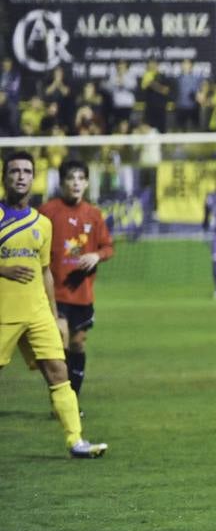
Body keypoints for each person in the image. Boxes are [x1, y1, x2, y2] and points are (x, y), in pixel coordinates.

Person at [0, 151, 107, 458]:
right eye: (14, 171)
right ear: (5, 177)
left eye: (26, 171)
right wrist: (3, 270)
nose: (21, 176)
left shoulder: (42, 224)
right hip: (4, 313)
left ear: (33, 178)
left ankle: (76, 441)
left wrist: (53, 313)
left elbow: (45, 271)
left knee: (59, 371)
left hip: (37, 312)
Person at [37, 158, 114, 400]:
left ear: (88, 183)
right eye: (71, 178)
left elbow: (108, 248)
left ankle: (73, 398)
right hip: (55, 293)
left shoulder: (94, 214)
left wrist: (96, 255)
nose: (76, 183)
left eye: (81, 178)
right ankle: (61, 400)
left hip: (82, 294)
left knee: (78, 345)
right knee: (60, 346)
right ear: (61, 183)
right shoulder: (48, 212)